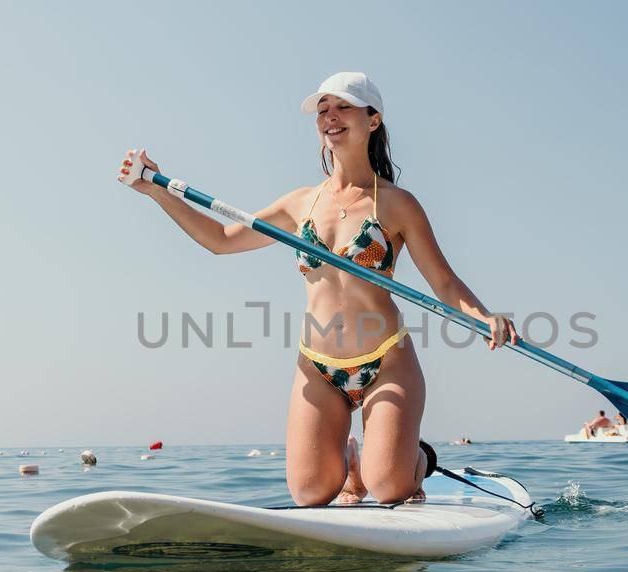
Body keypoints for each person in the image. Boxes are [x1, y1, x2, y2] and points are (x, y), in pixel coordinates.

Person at [119, 72, 515, 506]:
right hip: (318, 367)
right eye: (323, 110)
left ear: (373, 119)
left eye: (343, 106)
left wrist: (483, 317)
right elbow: (221, 241)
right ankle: (352, 458)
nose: (330, 116)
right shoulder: (299, 203)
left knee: (390, 489)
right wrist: (157, 192)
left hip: (386, 363)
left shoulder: (399, 205)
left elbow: (443, 281)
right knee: (311, 493)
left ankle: (415, 459)